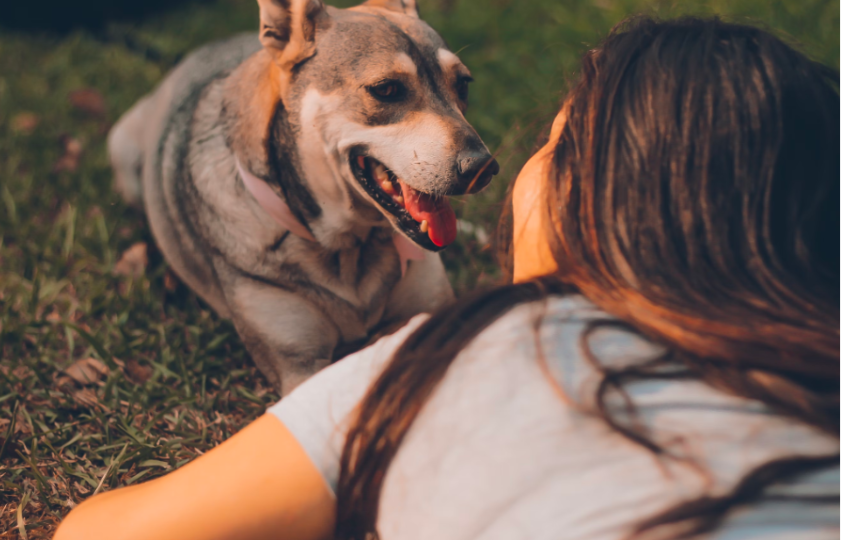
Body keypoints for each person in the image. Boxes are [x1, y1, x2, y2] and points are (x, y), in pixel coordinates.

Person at [54, 16, 841, 540]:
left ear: (618, 208)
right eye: (390, 95)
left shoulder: (450, 363)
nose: (487, 157)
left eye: (558, 146)